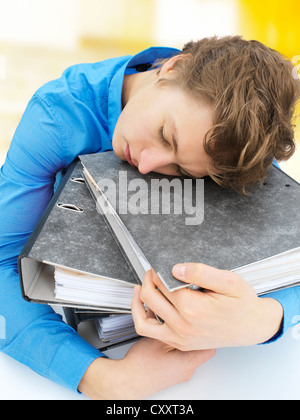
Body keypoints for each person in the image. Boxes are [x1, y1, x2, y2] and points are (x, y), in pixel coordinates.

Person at [0, 35, 299, 400]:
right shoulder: (57, 116)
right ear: (173, 68)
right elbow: (1, 261)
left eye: (183, 171)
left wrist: (266, 320)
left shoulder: (237, 141)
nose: (145, 164)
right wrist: (102, 378)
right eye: (165, 135)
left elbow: (287, 249)